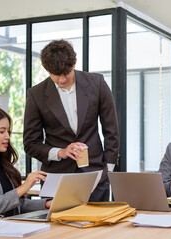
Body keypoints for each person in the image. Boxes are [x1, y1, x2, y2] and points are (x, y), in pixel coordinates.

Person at [24, 40, 119, 202]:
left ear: (74, 63)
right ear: (46, 69)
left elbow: (111, 131)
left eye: (65, 73)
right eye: (55, 74)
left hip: (96, 176)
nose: (61, 80)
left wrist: (107, 170)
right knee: (57, 227)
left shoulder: (97, 83)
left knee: (99, 227)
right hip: (56, 178)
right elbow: (31, 143)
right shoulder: (36, 94)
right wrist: (59, 152)